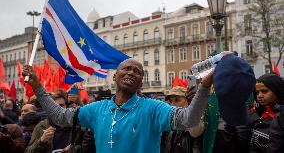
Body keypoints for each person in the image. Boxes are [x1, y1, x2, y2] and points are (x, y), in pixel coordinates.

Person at [23, 58, 214, 153]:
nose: (131, 73)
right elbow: (59, 116)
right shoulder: (97, 109)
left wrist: (204, 86)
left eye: (137, 72)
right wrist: (38, 87)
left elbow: (189, 118)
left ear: (140, 82)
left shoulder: (153, 108)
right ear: (115, 76)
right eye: (126, 69)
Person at [161, 86, 204, 153]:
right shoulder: (171, 122)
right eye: (170, 101)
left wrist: (192, 109)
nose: (172, 105)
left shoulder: (197, 117)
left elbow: (195, 132)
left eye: (177, 100)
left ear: (188, 101)